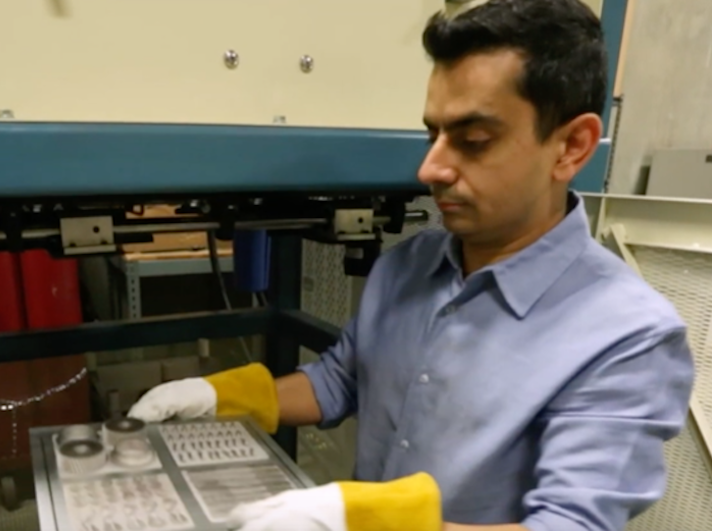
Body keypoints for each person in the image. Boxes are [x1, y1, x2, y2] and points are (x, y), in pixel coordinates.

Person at [129, 1, 695, 530]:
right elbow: (341, 380)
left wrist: (366, 519)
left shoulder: (629, 336)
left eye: (472, 140)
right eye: (433, 133)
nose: (431, 168)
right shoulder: (411, 264)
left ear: (572, 147)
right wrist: (219, 397)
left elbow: (572, 524)